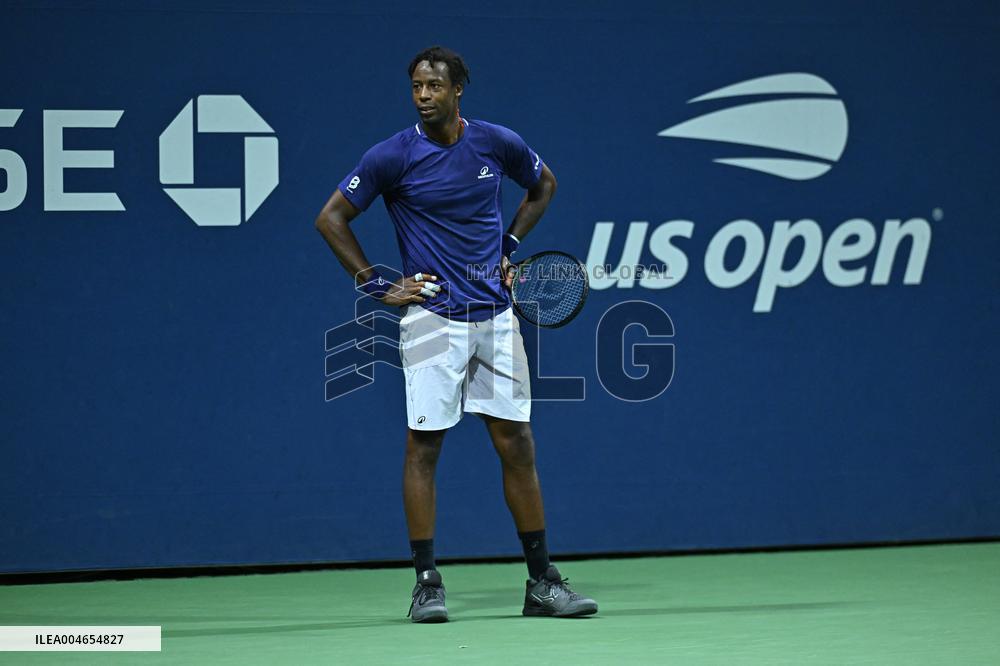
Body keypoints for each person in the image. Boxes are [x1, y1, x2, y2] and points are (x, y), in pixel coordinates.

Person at [315, 45, 597, 622]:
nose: (423, 95)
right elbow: (331, 218)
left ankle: (542, 582)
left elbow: (543, 184)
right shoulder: (391, 155)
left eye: (434, 86)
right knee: (425, 446)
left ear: (458, 89)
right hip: (430, 319)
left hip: (495, 316)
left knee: (516, 445)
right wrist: (377, 286)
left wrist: (509, 247)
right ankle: (426, 582)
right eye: (416, 86)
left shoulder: (496, 143)